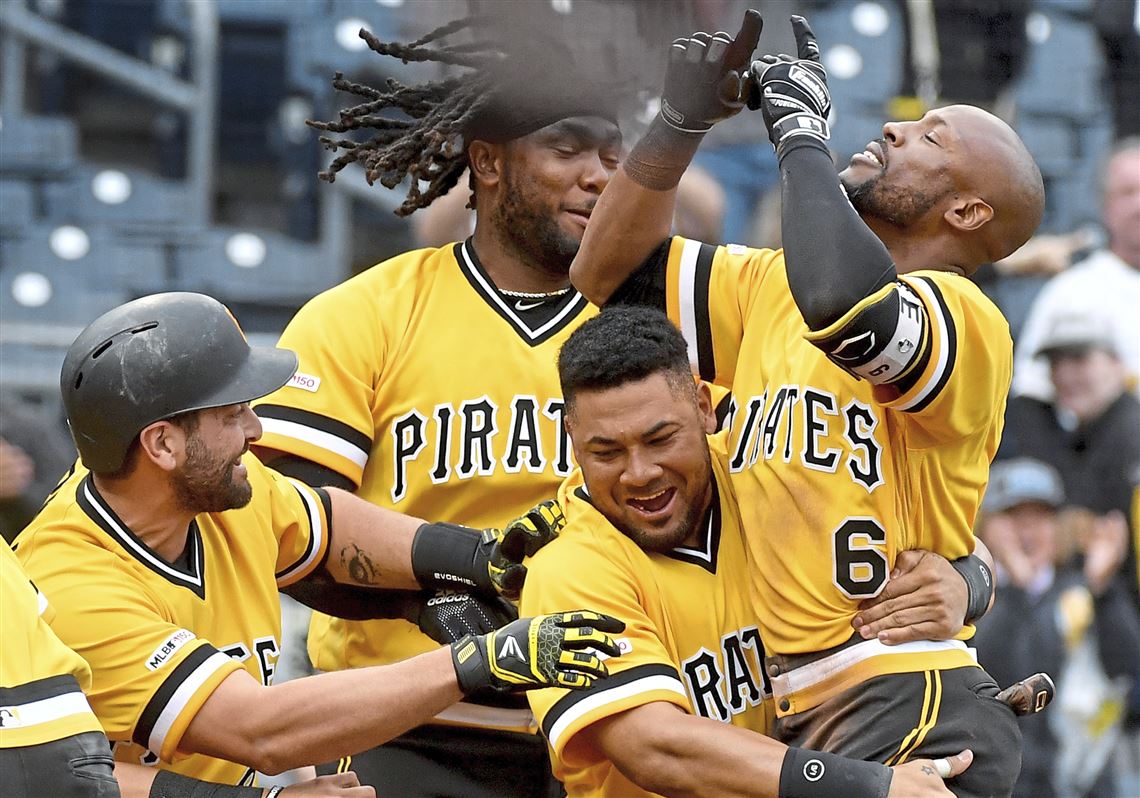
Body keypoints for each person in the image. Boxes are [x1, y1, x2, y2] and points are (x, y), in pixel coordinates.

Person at [254, 15, 1004, 797]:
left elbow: (859, 496)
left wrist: (967, 577)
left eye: (615, 156)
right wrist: (435, 587)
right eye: (568, 149)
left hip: (673, 724)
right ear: (488, 163)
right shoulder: (364, 314)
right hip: (426, 729)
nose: (598, 175)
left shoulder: (698, 326)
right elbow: (290, 528)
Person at [570, 12, 1046, 797]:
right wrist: (678, 123)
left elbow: (847, 308)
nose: (895, 131)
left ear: (966, 213)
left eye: (932, 139)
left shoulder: (965, 317)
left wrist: (799, 136)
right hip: (808, 708)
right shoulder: (767, 286)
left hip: (907, 696)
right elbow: (606, 273)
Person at [13, 292, 623, 794]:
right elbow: (256, 731)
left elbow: (332, 527)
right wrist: (476, 662)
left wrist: (474, 557)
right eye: (232, 415)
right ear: (163, 444)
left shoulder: (207, 498)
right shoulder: (70, 582)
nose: (255, 431)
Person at [523, 306, 982, 798]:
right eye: (606, 452)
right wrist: (868, 787)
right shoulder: (566, 572)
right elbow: (654, 746)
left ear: (703, 408)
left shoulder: (770, 472)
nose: (640, 472)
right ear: (572, 440)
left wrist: (968, 583)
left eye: (660, 439)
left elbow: (947, 544)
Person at [973, 458, 1140, 798]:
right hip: (1003, 784)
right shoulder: (969, 597)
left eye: (1041, 517)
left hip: (1085, 782)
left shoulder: (1086, 587)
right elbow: (989, 672)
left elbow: (1128, 668)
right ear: (986, 524)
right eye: (1013, 516)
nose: (1028, 530)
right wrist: (1018, 586)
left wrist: (1103, 592)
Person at [1013, 137, 1140, 402]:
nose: (1138, 206)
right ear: (1105, 206)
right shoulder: (1072, 291)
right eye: (1127, 192)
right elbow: (1031, 393)